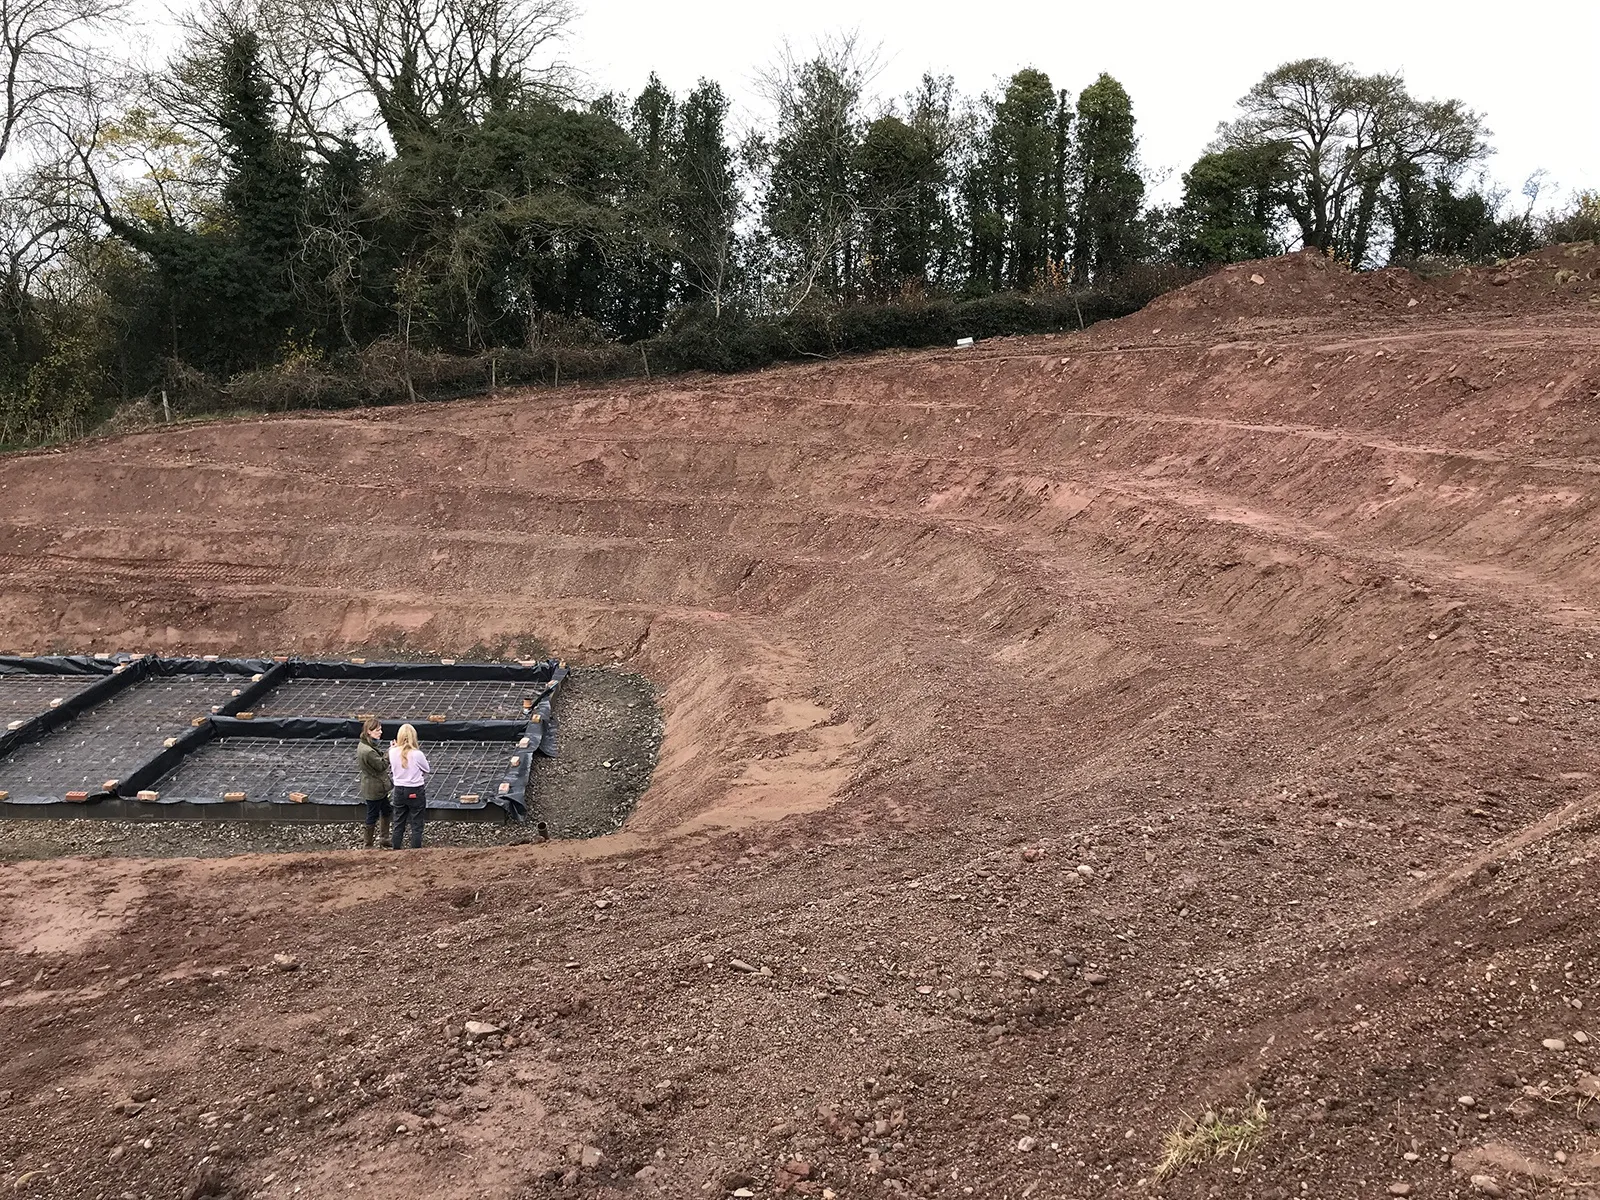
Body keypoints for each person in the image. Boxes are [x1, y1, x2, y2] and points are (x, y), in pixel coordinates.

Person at [388, 723, 431, 849]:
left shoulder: (392, 752)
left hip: (399, 790)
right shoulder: (417, 754)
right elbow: (427, 769)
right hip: (415, 790)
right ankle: (415, 851)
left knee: (398, 822)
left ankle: (396, 849)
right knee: (417, 823)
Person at [356, 718, 392, 849]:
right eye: (377, 730)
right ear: (369, 731)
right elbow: (382, 765)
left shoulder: (365, 745)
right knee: (372, 815)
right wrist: (389, 752)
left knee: (386, 810)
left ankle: (384, 838)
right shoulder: (368, 751)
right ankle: (369, 844)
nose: (380, 732)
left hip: (376, 787)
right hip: (374, 789)